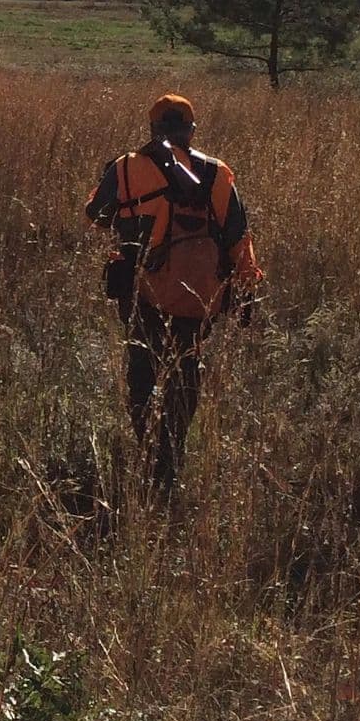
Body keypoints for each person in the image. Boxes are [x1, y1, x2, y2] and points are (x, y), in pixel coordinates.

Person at [87, 92, 261, 500]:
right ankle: (173, 454)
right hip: (200, 295)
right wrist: (247, 291)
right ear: (192, 130)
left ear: (152, 130)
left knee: (142, 374)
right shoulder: (218, 175)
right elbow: (238, 237)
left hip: (142, 292)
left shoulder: (126, 167)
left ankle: (152, 455)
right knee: (185, 371)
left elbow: (96, 215)